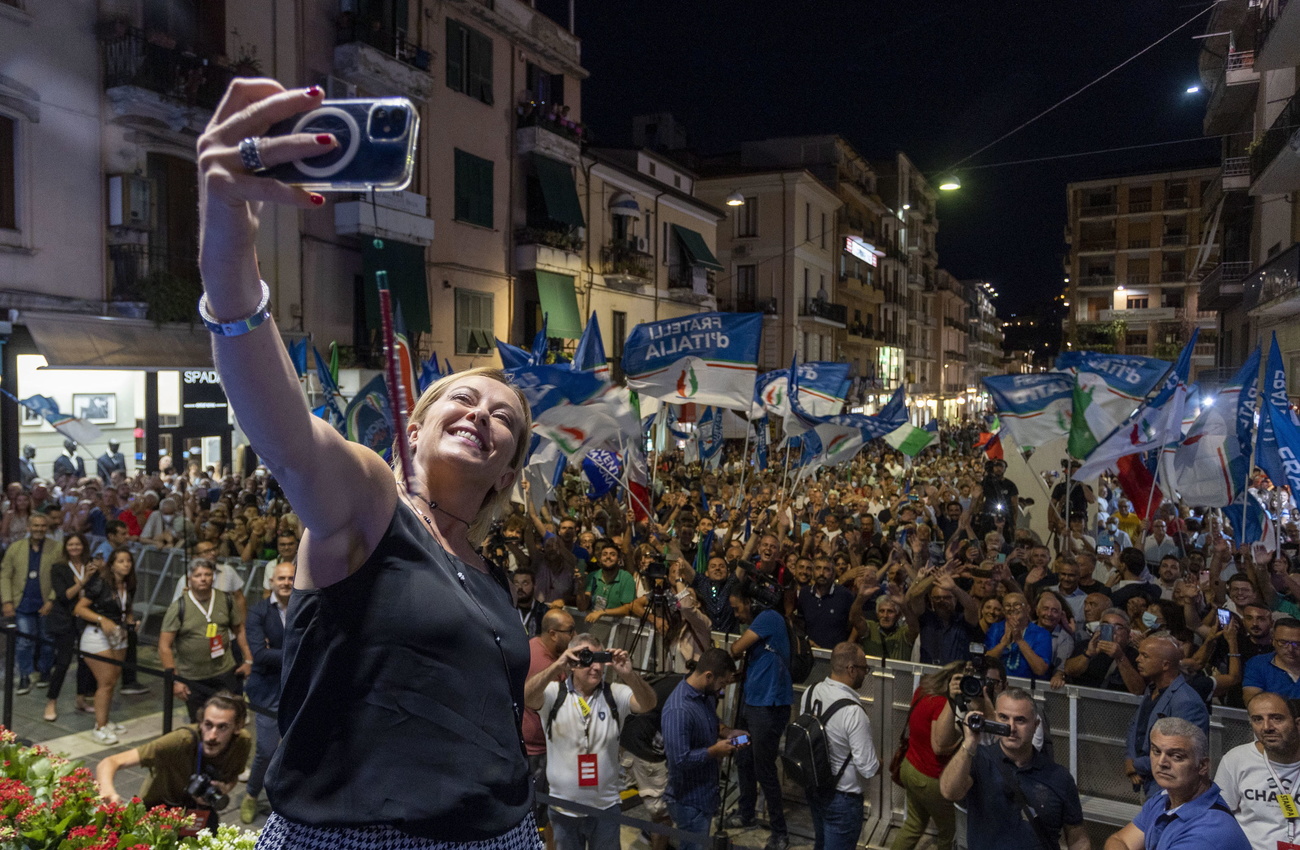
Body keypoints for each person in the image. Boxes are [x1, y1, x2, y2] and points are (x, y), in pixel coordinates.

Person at [201, 80, 537, 846]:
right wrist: (228, 232)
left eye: (503, 419)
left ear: (508, 474)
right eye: (462, 401)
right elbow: (284, 433)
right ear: (412, 429)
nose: (481, 414)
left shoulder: (486, 571)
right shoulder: (368, 504)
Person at [524, 637, 655, 850]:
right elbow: (527, 698)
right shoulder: (554, 694)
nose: (595, 667)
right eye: (587, 659)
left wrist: (629, 674)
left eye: (600, 659)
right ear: (573, 663)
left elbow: (648, 703)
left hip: (605, 808)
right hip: (563, 808)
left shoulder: (615, 694)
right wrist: (557, 666)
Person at [938, 688, 1089, 850]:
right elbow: (949, 792)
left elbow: (1077, 837)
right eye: (1003, 717)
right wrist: (969, 743)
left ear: (1035, 725)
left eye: (1020, 720)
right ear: (995, 718)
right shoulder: (978, 760)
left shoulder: (1059, 777)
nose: (1011, 727)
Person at [95, 691, 253, 832]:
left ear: (237, 727)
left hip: (198, 809)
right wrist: (108, 792)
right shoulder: (181, 740)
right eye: (208, 725)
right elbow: (110, 762)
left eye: (222, 727)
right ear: (201, 722)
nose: (212, 735)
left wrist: (223, 788)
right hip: (160, 809)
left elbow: (233, 777)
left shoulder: (242, 742)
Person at [1105, 717, 1250, 850]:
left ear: (1202, 766)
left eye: (1176, 756)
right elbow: (1119, 840)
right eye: (1156, 751)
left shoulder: (1209, 830)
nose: (1161, 763)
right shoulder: (1162, 799)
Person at [727, 578, 794, 850]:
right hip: (750, 706)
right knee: (742, 757)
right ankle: (746, 813)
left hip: (768, 709)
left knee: (764, 767)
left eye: (737, 607)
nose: (736, 614)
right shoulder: (761, 624)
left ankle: (780, 831)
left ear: (749, 603)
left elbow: (735, 649)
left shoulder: (769, 617)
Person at [800, 643, 878, 850]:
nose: (866, 674)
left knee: (821, 842)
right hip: (843, 799)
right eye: (864, 669)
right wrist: (880, 762)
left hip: (814, 788)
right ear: (851, 669)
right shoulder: (853, 712)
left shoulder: (810, 692)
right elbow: (868, 768)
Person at [662, 648, 742, 850]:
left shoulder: (704, 696)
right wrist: (714, 751)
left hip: (704, 796)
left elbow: (710, 723)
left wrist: (727, 733)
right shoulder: (679, 709)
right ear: (708, 676)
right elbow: (679, 760)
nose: (722, 689)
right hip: (689, 802)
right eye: (722, 683)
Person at [158, 558, 252, 722]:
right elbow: (164, 646)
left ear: (213, 577)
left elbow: (239, 629)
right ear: (190, 579)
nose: (203, 578)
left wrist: (248, 660)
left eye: (207, 574)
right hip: (193, 676)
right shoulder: (179, 607)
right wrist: (176, 680)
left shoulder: (226, 600)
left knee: (228, 719)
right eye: (198, 575)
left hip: (224, 672)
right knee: (200, 723)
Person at [240, 560, 293, 824]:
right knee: (267, 748)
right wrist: (297, 653)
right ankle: (251, 795)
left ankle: (285, 798)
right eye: (281, 578)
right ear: (271, 581)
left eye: (290, 578)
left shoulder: (304, 606)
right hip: (267, 688)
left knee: (295, 746)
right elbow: (259, 654)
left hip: (296, 685)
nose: (286, 583)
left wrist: (278, 653)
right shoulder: (259, 611)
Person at [1125, 634, 1210, 796]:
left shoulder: (1186, 702)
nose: (1137, 659)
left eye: (1145, 656)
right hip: (1149, 781)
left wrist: (1137, 764)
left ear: (1165, 665)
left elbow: (1182, 752)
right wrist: (1130, 759)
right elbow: (1135, 727)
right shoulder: (1151, 690)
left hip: (1170, 790)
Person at [1215, 691, 1300, 848]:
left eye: (1276, 718)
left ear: (1297, 724)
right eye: (1257, 719)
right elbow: (1220, 817)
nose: (1266, 727)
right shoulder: (1236, 760)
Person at [891, 662, 962, 850]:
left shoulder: (923, 691)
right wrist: (963, 742)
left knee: (913, 824)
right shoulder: (942, 705)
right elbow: (938, 747)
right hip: (931, 778)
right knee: (949, 832)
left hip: (910, 767)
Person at [73, 546, 137, 743]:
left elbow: (127, 609)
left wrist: (131, 623)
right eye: (121, 561)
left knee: (112, 681)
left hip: (119, 635)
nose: (126, 565)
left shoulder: (129, 584)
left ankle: (105, 720)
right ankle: (99, 727)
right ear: (112, 564)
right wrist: (102, 619)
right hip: (97, 634)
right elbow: (80, 609)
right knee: (106, 681)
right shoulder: (100, 583)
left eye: (128, 561)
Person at [524, 609, 576, 846]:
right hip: (538, 749)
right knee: (542, 815)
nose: (574, 635)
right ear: (553, 634)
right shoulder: (545, 666)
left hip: (533, 745)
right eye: (570, 631)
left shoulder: (533, 645)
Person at [43, 533, 98, 722]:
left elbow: (96, 590)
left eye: (78, 544)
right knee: (63, 662)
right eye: (71, 544)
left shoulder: (90, 565)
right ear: (66, 547)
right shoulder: (59, 568)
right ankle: (51, 702)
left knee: (85, 661)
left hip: (84, 619)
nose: (74, 548)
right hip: (65, 619)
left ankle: (81, 699)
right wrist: (83, 581)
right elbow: (64, 595)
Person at [0, 511, 58, 693]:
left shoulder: (56, 548)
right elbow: (5, 575)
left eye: (42, 526)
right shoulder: (15, 548)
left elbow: (61, 577)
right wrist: (7, 601)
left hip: (45, 603)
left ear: (46, 528)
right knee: (24, 642)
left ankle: (45, 671)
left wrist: (51, 600)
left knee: (47, 640)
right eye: (36, 526)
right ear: (28, 527)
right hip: (22, 603)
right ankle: (25, 675)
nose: (39, 529)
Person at [796, 556, 855, 649]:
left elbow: (855, 623)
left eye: (826, 569)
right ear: (813, 572)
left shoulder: (845, 595)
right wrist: (806, 640)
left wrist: (848, 645)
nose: (821, 573)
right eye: (818, 568)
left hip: (836, 654)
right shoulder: (805, 593)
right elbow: (800, 622)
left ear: (833, 573)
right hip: (809, 651)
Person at [1243, 617, 1300, 703]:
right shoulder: (1258, 664)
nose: (1290, 649)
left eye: (1297, 644)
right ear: (1273, 641)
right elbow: (1252, 701)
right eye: (1283, 642)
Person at [512, 567, 549, 637]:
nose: (520, 587)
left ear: (534, 586)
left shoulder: (543, 612)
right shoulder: (507, 609)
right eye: (516, 583)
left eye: (525, 583)